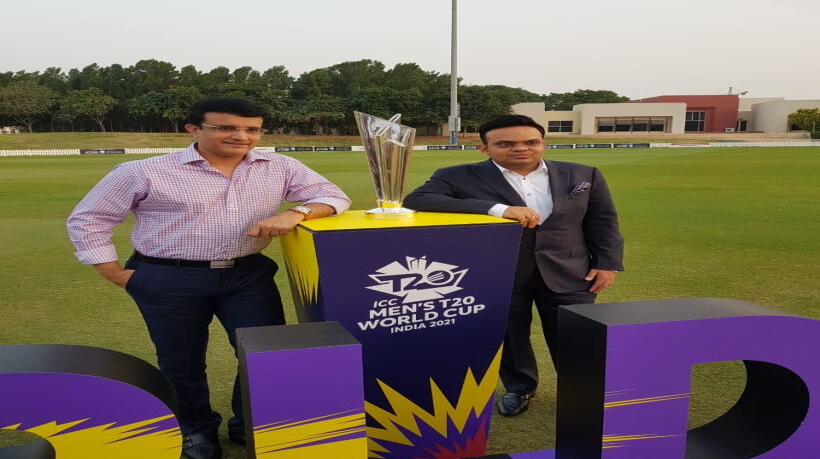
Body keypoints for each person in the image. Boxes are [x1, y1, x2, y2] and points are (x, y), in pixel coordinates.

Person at [67, 98, 351, 459]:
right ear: (193, 129)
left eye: (251, 129)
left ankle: (250, 425)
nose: (241, 136)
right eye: (226, 127)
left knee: (263, 355)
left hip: (247, 276)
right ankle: (195, 430)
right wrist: (112, 272)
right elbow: (89, 218)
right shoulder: (143, 171)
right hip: (168, 276)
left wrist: (297, 212)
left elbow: (333, 196)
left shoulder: (280, 166)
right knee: (182, 361)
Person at [403, 114, 623, 417]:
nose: (521, 148)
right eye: (506, 144)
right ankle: (520, 387)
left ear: (543, 143)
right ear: (484, 148)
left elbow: (603, 220)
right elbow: (417, 199)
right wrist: (498, 209)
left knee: (576, 336)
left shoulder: (583, 174)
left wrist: (607, 263)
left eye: (531, 142)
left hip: (571, 270)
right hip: (499, 272)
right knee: (510, 335)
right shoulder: (457, 176)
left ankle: (581, 391)